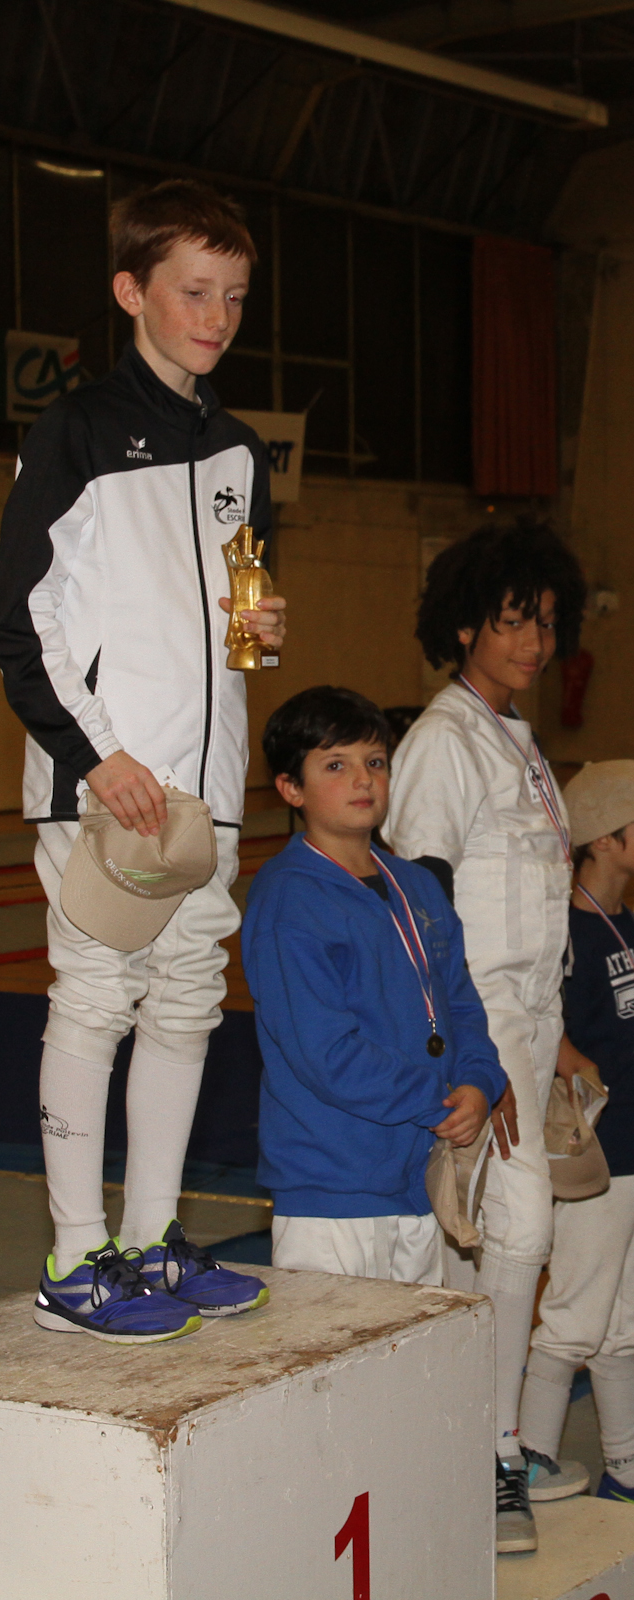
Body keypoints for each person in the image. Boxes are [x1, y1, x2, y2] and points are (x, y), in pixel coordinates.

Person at [0, 178, 285, 1341]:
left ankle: (153, 1241)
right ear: (130, 291)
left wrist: (258, 632)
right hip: (107, 782)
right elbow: (21, 627)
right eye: (192, 292)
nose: (215, 318)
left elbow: (236, 621)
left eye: (234, 297)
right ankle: (74, 1259)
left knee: (186, 1003)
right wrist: (96, 756)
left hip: (204, 794)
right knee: (96, 996)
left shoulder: (241, 452)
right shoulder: (71, 434)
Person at [386, 520, 588, 1552]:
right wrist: (467, 1054)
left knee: (484, 1246)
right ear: (464, 625)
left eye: (545, 622)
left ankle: (469, 1440)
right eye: (513, 621)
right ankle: (492, 1455)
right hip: (477, 1029)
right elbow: (415, 912)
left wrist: (554, 1043)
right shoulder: (442, 741)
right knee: (517, 1233)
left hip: (531, 1024)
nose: (532, 642)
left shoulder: (519, 742)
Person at [243, 685, 504, 1293]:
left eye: (375, 761)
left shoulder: (418, 885)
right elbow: (324, 1051)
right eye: (336, 765)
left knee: (417, 1350)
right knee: (330, 1352)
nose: (363, 779)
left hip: (421, 1178)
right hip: (332, 1188)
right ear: (291, 788)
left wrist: (480, 1082)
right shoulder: (290, 897)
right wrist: (438, 1102)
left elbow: (462, 1004)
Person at [519, 761, 634, 1503]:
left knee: (620, 1321)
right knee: (572, 1316)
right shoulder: (563, 930)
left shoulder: (624, 923)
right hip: (599, 1152)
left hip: (632, 1148)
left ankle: (624, 1465)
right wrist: (574, 1064)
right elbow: (536, 1020)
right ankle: (527, 1460)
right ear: (606, 839)